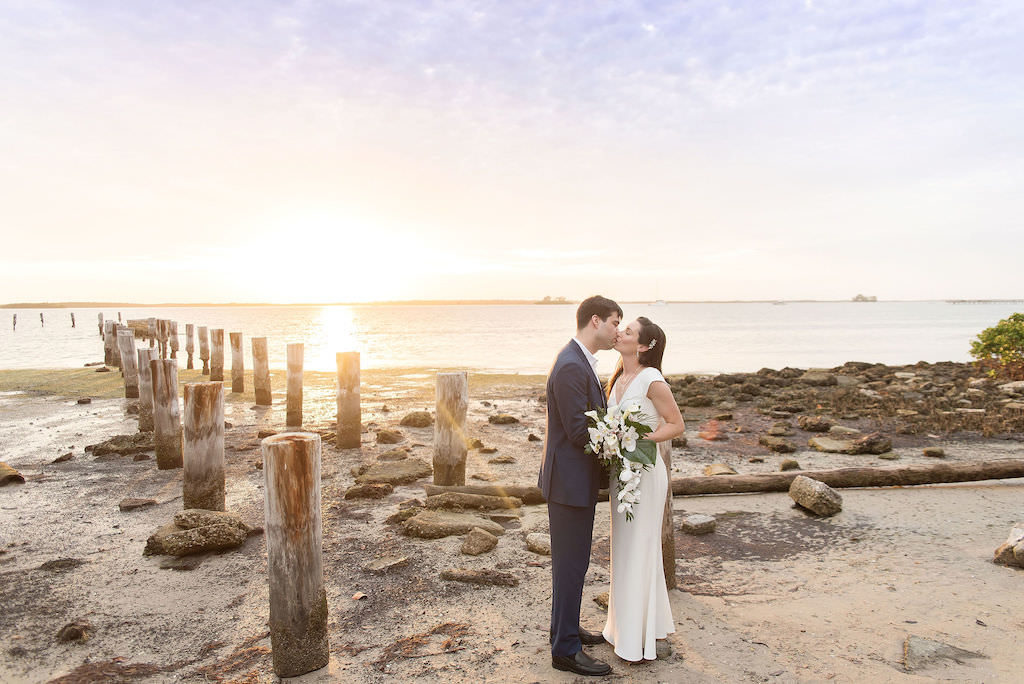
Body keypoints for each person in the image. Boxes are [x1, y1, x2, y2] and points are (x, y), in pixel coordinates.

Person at [538, 295, 622, 676]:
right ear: (595, 321)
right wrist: (617, 437)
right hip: (569, 482)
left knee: (573, 565)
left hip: (572, 480)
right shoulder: (572, 365)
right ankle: (565, 651)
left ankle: (565, 631)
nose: (617, 331)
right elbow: (578, 431)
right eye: (614, 323)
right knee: (571, 566)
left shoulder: (579, 360)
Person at [601, 316, 685, 661]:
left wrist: (641, 440)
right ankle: (625, 627)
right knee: (623, 549)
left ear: (645, 346)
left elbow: (676, 424)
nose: (620, 333)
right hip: (619, 475)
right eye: (621, 329)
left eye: (629, 331)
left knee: (641, 547)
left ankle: (637, 638)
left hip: (646, 474)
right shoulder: (617, 377)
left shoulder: (652, 379)